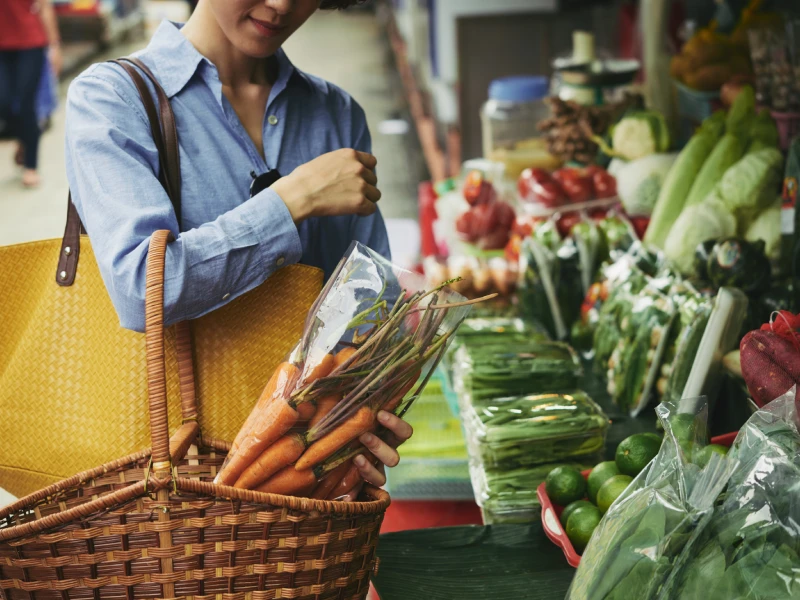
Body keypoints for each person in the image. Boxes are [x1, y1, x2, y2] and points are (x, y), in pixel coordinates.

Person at [65, 0, 404, 492]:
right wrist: (292, 200)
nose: (282, 4)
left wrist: (370, 409)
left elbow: (373, 308)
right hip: (168, 485)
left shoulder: (335, 113)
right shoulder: (113, 98)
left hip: (308, 478)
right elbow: (142, 290)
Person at [0, 0, 62, 188]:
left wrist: (55, 47)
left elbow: (44, 7)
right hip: (3, 47)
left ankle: (31, 167)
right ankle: (23, 137)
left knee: (26, 104)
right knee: (3, 102)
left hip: (31, 43)